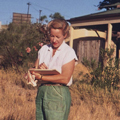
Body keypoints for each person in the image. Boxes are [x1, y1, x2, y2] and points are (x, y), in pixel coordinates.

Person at [31, 19, 78, 120]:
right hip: (42, 91)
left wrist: (42, 77)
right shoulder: (43, 49)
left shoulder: (68, 52)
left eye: (58, 37)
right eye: (52, 36)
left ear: (65, 35)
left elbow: (65, 78)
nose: (54, 40)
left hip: (58, 92)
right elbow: (33, 72)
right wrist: (37, 70)